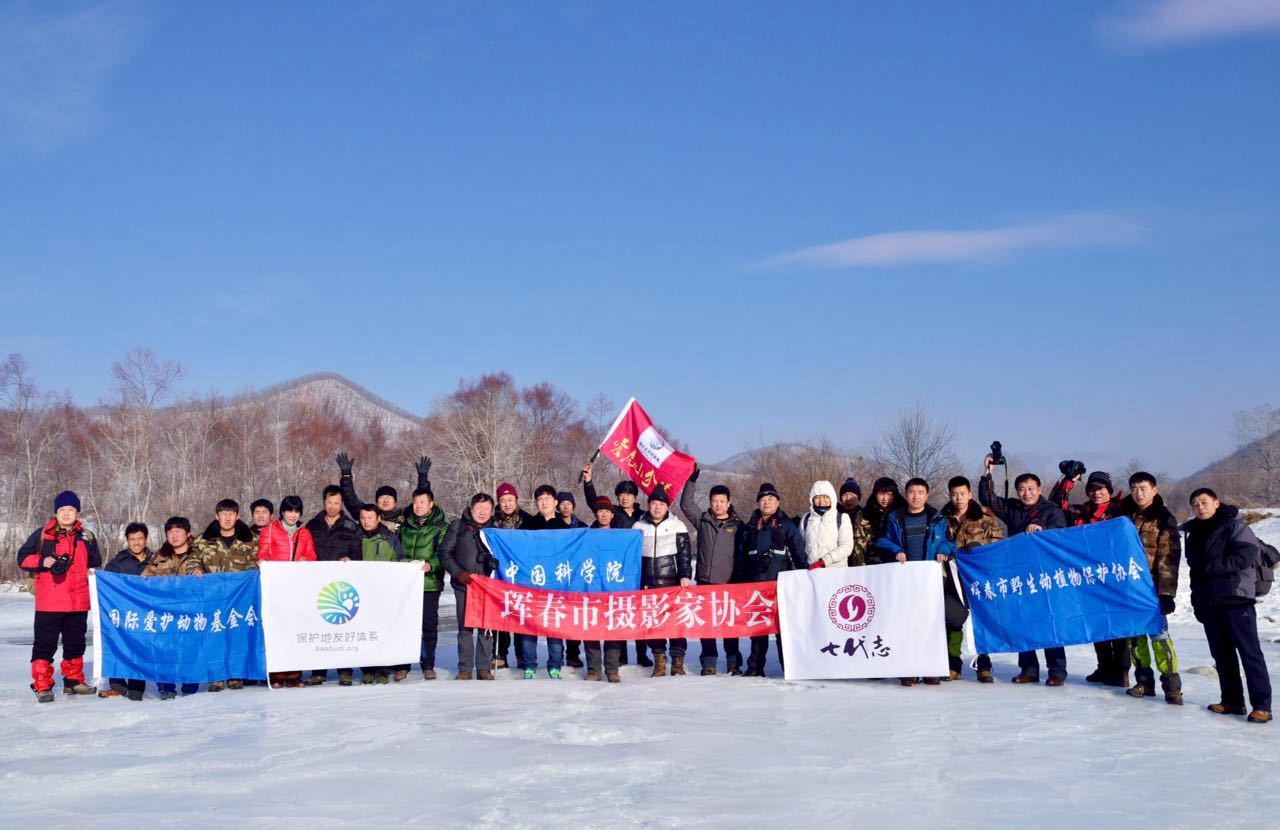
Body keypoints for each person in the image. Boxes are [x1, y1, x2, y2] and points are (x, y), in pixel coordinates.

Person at [1183, 488, 1271, 724]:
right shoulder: (1193, 533)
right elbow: (1194, 572)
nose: (1200, 507)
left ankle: (1262, 705)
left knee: (1249, 653)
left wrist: (1212, 568)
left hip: (1236, 598)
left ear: (1216, 503)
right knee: (1222, 655)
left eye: (1204, 502)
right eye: (1195, 504)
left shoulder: (1234, 525)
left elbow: (1245, 556)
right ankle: (1232, 701)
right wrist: (1196, 601)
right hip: (1210, 601)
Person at [979, 456, 1068, 685]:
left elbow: (1062, 534)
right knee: (1024, 620)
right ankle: (1029, 669)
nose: (1026, 493)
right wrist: (987, 472)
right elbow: (987, 498)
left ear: (1039, 489)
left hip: (1046, 574)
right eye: (1022, 489)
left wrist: (1043, 528)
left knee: (1049, 620)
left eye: (1031, 488)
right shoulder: (1013, 509)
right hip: (1020, 574)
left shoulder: (1052, 510)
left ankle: (1057, 671)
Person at [17, 490, 101, 702]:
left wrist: (92, 572)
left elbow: (95, 563)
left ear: (77, 512)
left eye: (70, 509)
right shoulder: (43, 535)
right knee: (45, 645)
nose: (66, 513)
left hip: (78, 601)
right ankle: (42, 684)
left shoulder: (87, 537)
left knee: (76, 643)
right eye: (62, 510)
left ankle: (73, 681)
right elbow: (22, 558)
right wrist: (41, 562)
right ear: (56, 512)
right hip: (49, 602)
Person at [1052, 469, 1131, 688]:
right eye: (1092, 489)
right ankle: (1104, 666)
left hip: (1115, 576)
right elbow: (1056, 505)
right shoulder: (1081, 513)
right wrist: (1069, 480)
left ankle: (1121, 670)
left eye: (1101, 489)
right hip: (1089, 578)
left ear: (1109, 490)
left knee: (1118, 623)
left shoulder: (1121, 511)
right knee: (1098, 622)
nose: (1097, 493)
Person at [875, 478, 958, 685]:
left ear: (927, 495)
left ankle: (931, 669)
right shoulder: (896, 517)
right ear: (906, 494)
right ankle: (908, 669)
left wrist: (942, 551)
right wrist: (897, 550)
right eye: (912, 492)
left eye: (921, 492)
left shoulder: (937, 518)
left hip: (930, 580)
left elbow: (950, 543)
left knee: (931, 624)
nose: (916, 496)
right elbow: (882, 540)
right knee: (907, 624)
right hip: (905, 581)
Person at [1113, 472, 1183, 704]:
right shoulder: (1121, 516)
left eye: (1143, 488)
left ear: (1155, 489)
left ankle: (1172, 686)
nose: (1138, 493)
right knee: (1134, 637)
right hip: (1126, 587)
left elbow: (1168, 556)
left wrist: (1166, 593)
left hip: (1152, 588)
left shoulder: (1163, 517)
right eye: (1134, 488)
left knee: (1159, 636)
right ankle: (1143, 681)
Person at [183, 499, 260, 691]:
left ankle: (235, 675)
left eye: (231, 514)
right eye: (223, 514)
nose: (227, 518)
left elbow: (257, 560)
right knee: (214, 636)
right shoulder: (204, 540)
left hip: (240, 598)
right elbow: (193, 558)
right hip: (212, 597)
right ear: (217, 516)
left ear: (238, 516)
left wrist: (252, 572)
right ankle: (216, 676)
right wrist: (194, 569)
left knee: (236, 634)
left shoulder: (249, 539)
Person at [733, 483, 807, 677]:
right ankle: (755, 668)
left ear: (778, 502)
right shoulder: (750, 527)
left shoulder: (786, 525)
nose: (766, 503)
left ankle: (790, 668)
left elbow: (798, 553)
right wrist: (740, 582)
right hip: (756, 585)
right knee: (758, 629)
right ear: (758, 502)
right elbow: (740, 557)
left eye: (771, 499)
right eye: (763, 499)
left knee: (783, 630)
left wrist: (803, 578)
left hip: (781, 586)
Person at [679, 466, 745, 676]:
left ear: (728, 502)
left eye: (721, 501)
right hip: (705, 582)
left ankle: (734, 664)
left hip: (728, 583)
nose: (717, 504)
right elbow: (686, 505)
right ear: (710, 502)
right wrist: (691, 481)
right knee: (707, 628)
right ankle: (709, 664)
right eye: (714, 501)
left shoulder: (738, 526)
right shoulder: (703, 521)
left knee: (729, 627)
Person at [942, 476, 1005, 682]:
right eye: (954, 494)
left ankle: (984, 665)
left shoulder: (984, 516)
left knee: (980, 621)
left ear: (969, 494)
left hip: (978, 577)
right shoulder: (942, 518)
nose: (958, 498)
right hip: (950, 576)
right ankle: (953, 665)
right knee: (953, 621)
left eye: (962, 494)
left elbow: (998, 543)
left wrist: (980, 548)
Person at [582, 463, 644, 666]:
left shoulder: (642, 516)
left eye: (628, 494)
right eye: (621, 494)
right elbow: (595, 504)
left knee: (636, 613)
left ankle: (642, 654)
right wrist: (588, 482)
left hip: (635, 569)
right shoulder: (613, 513)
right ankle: (619, 658)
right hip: (612, 572)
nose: (624, 497)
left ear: (635, 497)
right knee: (616, 613)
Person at [305, 485, 362, 686]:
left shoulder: (351, 526)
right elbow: (304, 549)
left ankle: (345, 670)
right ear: (323, 502)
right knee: (318, 627)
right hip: (317, 584)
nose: (332, 506)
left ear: (342, 504)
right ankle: (318, 671)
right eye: (329, 502)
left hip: (340, 585)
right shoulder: (312, 525)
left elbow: (358, 553)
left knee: (341, 627)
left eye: (336, 503)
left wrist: (351, 559)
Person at [440, 493, 499, 681]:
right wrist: (458, 573)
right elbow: (444, 553)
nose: (482, 512)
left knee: (486, 627)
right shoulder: (458, 526)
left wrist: (494, 564)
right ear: (471, 508)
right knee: (465, 627)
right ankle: (465, 668)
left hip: (487, 586)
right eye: (479, 508)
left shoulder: (494, 531)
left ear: (491, 511)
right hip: (464, 584)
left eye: (487, 509)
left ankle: (483, 667)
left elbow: (502, 557)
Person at [257, 496, 314, 687]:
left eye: (297, 511)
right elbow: (262, 553)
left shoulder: (304, 533)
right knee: (277, 631)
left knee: (296, 629)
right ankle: (276, 675)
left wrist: (307, 559)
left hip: (297, 587)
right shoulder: (270, 530)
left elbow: (312, 556)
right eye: (289, 510)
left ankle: (294, 675)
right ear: (282, 512)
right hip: (276, 588)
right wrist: (263, 562)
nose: (293, 514)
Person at [637, 485, 693, 677]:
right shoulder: (639, 526)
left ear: (667, 506)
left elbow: (686, 554)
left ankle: (677, 662)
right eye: (654, 503)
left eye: (661, 504)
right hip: (648, 584)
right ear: (648, 505)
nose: (658, 507)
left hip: (672, 584)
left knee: (676, 624)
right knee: (654, 625)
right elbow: (634, 557)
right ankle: (659, 661)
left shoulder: (678, 525)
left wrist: (685, 575)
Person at [142, 517, 200, 699]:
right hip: (164, 615)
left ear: (188, 533)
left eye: (178, 531)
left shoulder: (198, 554)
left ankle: (190, 689)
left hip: (191, 614)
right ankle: (166, 688)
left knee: (190, 650)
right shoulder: (159, 556)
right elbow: (144, 580)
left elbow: (212, 582)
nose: (174, 536)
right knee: (165, 651)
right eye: (170, 532)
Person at [398, 486, 449, 681]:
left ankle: (428, 664)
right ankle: (402, 664)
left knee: (428, 625)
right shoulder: (404, 527)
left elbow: (443, 553)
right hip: (406, 585)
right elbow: (398, 552)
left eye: (422, 502)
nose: (418, 506)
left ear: (431, 504)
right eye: (415, 502)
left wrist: (431, 565)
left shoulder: (441, 527)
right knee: (404, 625)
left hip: (429, 584)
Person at [519, 484, 567, 679]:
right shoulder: (527, 526)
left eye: (547, 498)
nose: (544, 502)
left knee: (554, 624)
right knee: (529, 625)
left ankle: (555, 664)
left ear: (555, 502)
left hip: (556, 583)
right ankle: (529, 665)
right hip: (531, 582)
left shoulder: (565, 528)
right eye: (540, 499)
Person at [99, 522, 151, 701]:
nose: (136, 543)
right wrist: (95, 578)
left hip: (145, 615)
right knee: (118, 647)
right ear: (127, 541)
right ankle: (117, 687)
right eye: (132, 539)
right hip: (121, 615)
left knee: (141, 649)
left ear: (146, 539)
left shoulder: (156, 561)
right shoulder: (117, 563)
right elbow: (106, 585)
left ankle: (137, 690)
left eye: (140, 539)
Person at [356, 504, 407, 684]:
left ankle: (383, 669)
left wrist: (413, 566)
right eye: (363, 518)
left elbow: (400, 559)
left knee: (383, 631)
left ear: (378, 518)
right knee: (364, 632)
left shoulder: (389, 538)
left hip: (384, 594)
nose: (366, 521)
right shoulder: (355, 537)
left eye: (370, 518)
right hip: (361, 594)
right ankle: (367, 670)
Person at [490, 481, 535, 669]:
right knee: (501, 615)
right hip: (500, 575)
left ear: (516, 500)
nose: (507, 504)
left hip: (523, 575)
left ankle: (522, 654)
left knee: (521, 616)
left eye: (510, 499)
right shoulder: (492, 523)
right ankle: (499, 653)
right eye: (502, 500)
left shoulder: (529, 521)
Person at [335, 453, 433, 533]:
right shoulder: (369, 514)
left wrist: (423, 478)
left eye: (389, 497)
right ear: (376, 502)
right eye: (382, 497)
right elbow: (350, 499)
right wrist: (346, 476)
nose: (385, 500)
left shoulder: (407, 516)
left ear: (395, 502)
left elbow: (422, 500)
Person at [583, 496, 625, 682]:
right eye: (600, 511)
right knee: (591, 628)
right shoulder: (585, 535)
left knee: (613, 629)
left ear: (612, 514)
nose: (604, 515)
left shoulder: (620, 536)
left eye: (607, 511)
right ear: (596, 514)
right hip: (591, 588)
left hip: (613, 589)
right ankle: (593, 669)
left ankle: (612, 669)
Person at [801, 480, 854, 569]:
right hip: (812, 571)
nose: (822, 501)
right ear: (812, 499)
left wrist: (824, 561)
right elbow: (802, 545)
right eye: (817, 497)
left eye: (825, 497)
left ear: (832, 498)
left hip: (836, 571)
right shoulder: (806, 519)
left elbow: (847, 547)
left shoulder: (842, 518)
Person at [853, 478, 905, 566]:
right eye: (881, 494)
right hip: (873, 563)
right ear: (875, 494)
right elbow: (859, 544)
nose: (885, 498)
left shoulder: (903, 511)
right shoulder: (864, 514)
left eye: (889, 494)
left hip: (900, 561)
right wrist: (860, 567)